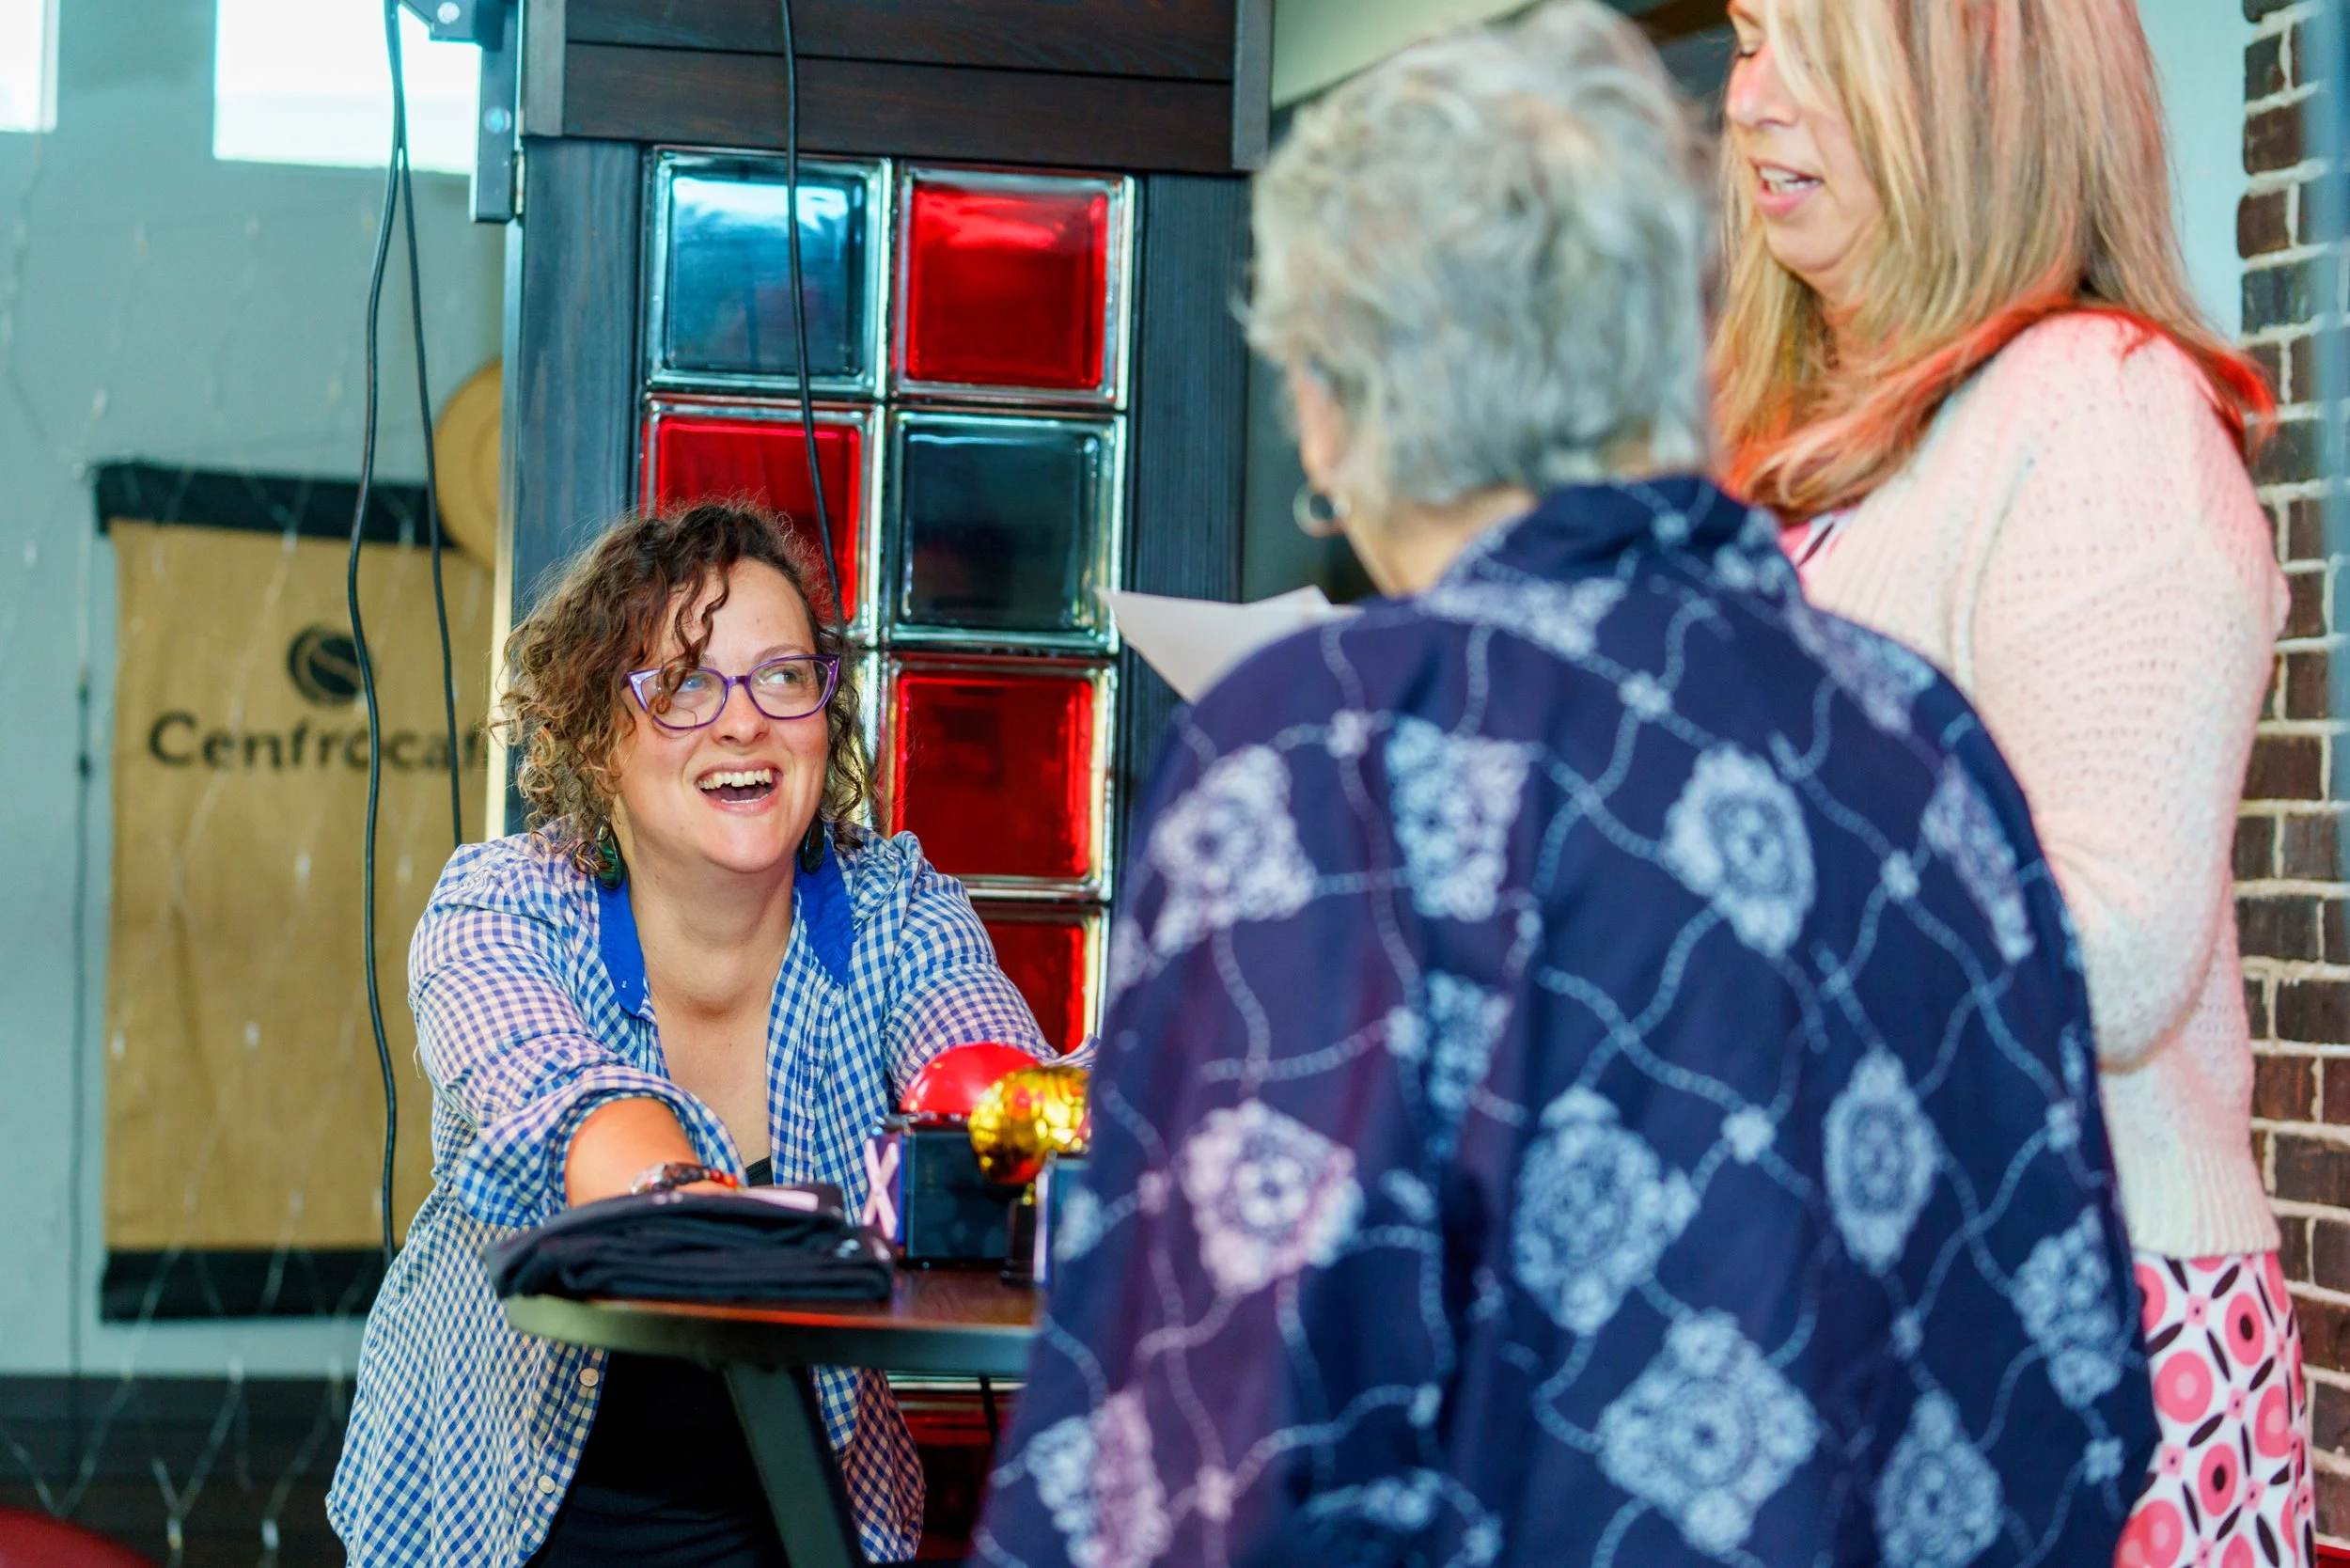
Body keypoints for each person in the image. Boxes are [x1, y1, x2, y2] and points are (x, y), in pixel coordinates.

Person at [977, 6, 2154, 1565]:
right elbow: (2072, 1397)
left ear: (1331, 404)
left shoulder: (1335, 754)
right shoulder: (1924, 745)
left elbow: (1194, 1458)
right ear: (1672, 350)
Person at [1713, 2, 2311, 1560]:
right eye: (1744, 40)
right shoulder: (1818, 452)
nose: (1752, 102)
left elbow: (2107, 947)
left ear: (1970, 88)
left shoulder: (2099, 411)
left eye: (1807, 48)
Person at [328, 502, 1051, 1566]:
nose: (743, 722)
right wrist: (709, 1207)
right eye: (682, 686)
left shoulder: (893, 904)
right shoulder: (503, 906)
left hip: (801, 1518)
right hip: (490, 1519)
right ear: (593, 737)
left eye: (784, 677)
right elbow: (567, 1108)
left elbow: (990, 1075)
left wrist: (1017, 1119)